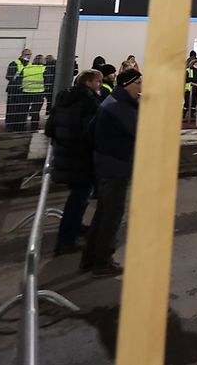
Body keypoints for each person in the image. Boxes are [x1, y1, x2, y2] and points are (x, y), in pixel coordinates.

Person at [82, 68, 141, 276]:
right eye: (139, 83)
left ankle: (90, 257)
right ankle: (102, 262)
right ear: (128, 84)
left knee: (103, 212)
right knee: (112, 215)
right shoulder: (120, 107)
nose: (141, 87)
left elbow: (90, 130)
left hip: (106, 163)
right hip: (116, 166)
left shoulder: (113, 102)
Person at [46, 68, 102, 256]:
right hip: (81, 157)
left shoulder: (63, 99)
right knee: (79, 197)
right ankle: (66, 240)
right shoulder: (89, 102)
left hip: (65, 154)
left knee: (79, 195)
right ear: (88, 83)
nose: (99, 86)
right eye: (98, 82)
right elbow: (92, 131)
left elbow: (50, 128)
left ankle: (75, 228)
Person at [4, 47, 32, 132]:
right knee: (13, 108)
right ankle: (11, 125)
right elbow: (9, 76)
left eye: (30, 55)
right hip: (14, 89)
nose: (29, 56)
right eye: (27, 54)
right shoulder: (15, 63)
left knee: (23, 108)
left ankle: (20, 125)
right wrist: (19, 82)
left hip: (25, 90)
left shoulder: (30, 65)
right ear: (23, 54)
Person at [21, 54, 48, 132]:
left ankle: (22, 125)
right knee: (35, 110)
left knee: (24, 109)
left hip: (26, 91)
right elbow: (47, 80)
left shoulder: (27, 68)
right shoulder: (44, 69)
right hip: (38, 92)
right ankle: (34, 127)